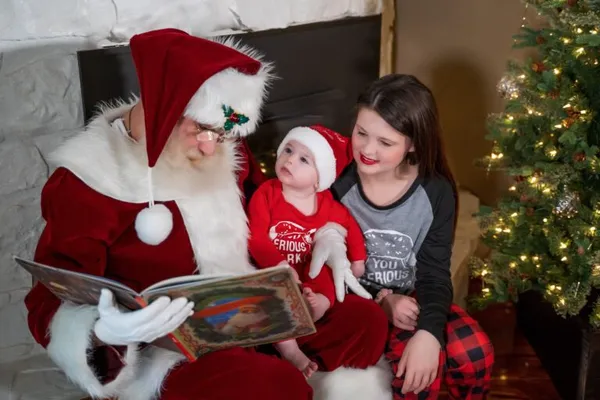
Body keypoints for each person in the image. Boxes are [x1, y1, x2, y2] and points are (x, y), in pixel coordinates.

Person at [23, 28, 390, 400]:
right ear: (163, 104)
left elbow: (273, 212)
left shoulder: (224, 151)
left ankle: (273, 371)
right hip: (168, 352)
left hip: (248, 318)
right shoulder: (89, 179)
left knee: (365, 322)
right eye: (201, 127)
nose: (210, 145)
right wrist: (102, 332)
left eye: (223, 134)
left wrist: (327, 234)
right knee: (272, 386)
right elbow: (48, 298)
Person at [312, 74, 495, 399]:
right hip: (353, 306)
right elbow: (322, 272)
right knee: (414, 374)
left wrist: (429, 332)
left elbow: (435, 274)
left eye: (385, 142)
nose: (367, 149)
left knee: (473, 352)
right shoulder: (336, 183)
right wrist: (382, 303)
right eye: (361, 133)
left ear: (413, 144)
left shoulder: (434, 191)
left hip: (413, 299)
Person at [247, 125, 372, 377]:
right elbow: (257, 238)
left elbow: (350, 227)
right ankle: (291, 349)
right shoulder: (267, 193)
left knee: (324, 282)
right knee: (275, 295)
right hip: (276, 269)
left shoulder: (327, 204)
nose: (290, 159)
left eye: (304, 159)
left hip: (310, 269)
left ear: (319, 179)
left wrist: (358, 259)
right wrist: (281, 265)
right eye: (289, 150)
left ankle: (315, 310)